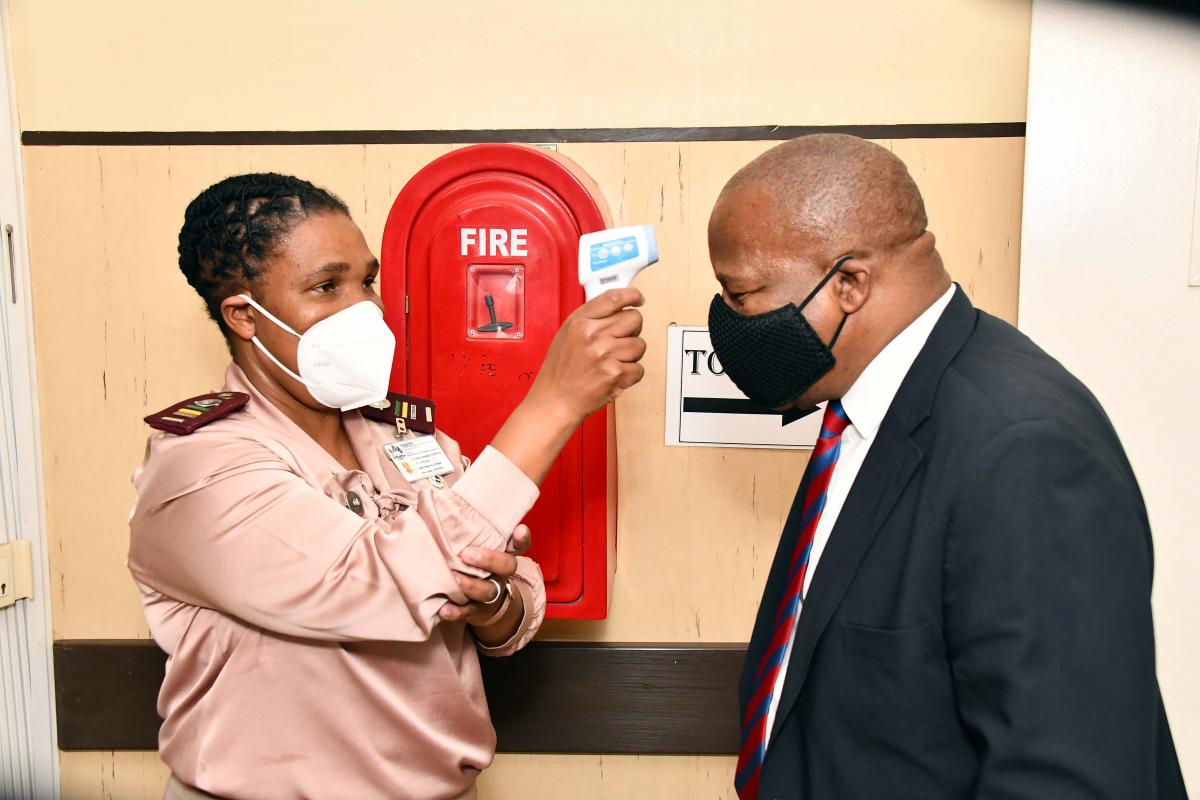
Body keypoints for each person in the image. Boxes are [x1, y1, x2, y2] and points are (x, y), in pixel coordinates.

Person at [127, 173, 646, 800]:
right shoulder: (200, 467)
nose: (364, 307)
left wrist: (493, 603)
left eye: (365, 280)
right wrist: (555, 404)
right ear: (244, 316)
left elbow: (508, 574)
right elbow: (372, 583)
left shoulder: (402, 437)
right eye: (326, 286)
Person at [706, 135, 1188, 799]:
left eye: (741, 295)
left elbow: (1068, 778)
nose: (727, 323)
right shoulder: (865, 407)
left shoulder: (1024, 450)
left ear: (849, 283)